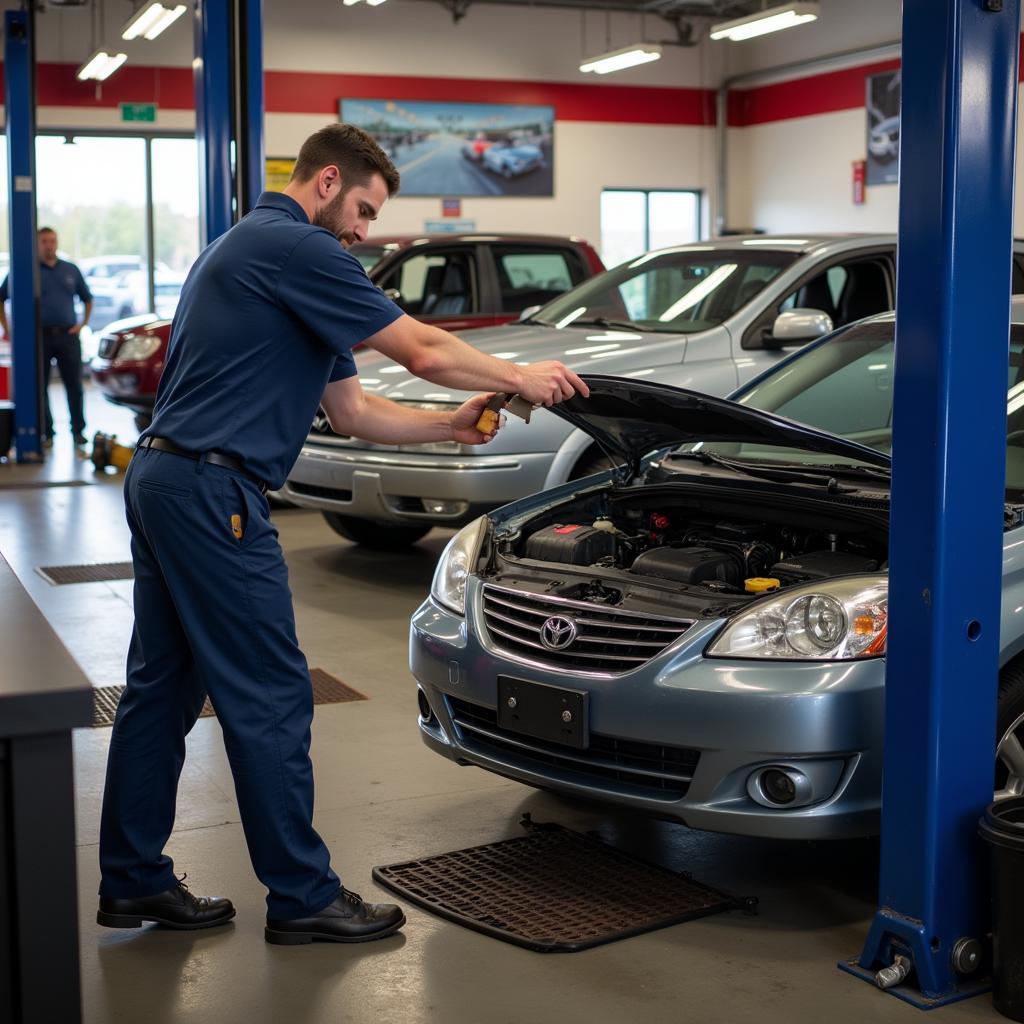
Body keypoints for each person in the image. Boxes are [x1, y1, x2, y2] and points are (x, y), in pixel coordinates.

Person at [96, 123, 588, 945]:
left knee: (164, 688)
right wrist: (518, 374)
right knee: (272, 695)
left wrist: (448, 428)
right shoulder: (298, 249)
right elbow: (423, 348)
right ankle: (301, 896)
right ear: (326, 181)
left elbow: (354, 411)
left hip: (167, 478)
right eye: (362, 209)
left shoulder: (253, 253)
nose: (364, 231)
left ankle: (134, 880)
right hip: (214, 489)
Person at [0, 226, 93, 447]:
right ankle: (47, 433)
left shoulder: (70, 269)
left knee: (74, 386)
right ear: (37, 244)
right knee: (40, 387)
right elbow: (1, 297)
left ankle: (78, 432)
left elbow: (87, 298)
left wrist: (82, 325)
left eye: (52, 240)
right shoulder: (25, 271)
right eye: (44, 241)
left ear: (57, 242)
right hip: (39, 338)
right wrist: (8, 329)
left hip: (67, 336)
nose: (49, 245)